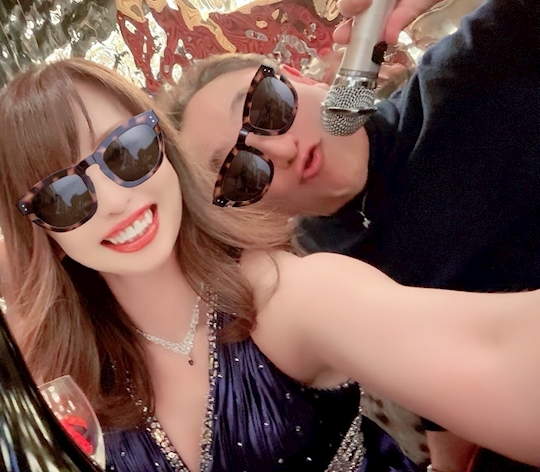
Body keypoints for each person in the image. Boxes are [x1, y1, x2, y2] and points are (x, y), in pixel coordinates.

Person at [0, 50, 540, 472]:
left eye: (126, 152)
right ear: (42, 231)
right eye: (63, 196)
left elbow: (496, 353)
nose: (114, 200)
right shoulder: (66, 388)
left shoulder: (285, 297)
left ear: (165, 150)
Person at [160, 0, 540, 469]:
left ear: (300, 78)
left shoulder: (472, 69)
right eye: (240, 170)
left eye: (268, 105)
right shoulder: (316, 271)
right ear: (244, 206)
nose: (282, 149)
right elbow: (433, 366)